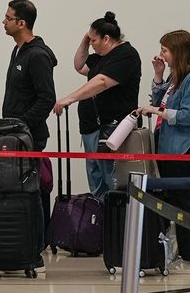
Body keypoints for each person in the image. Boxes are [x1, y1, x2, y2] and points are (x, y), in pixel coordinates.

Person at [138, 29, 190, 272]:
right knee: (172, 199)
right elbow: (161, 99)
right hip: (168, 146)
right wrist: (159, 76)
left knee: (184, 203)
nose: (161, 54)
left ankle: (187, 255)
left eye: (165, 50)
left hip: (184, 149)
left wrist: (157, 113)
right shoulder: (177, 76)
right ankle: (174, 250)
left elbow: (188, 116)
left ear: (178, 51)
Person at [54, 12, 142, 196]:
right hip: (91, 126)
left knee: (112, 180)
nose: (91, 44)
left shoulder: (126, 55)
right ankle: (99, 218)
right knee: (95, 179)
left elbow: (102, 82)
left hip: (112, 128)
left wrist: (70, 98)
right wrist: (85, 40)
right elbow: (79, 65)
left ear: (107, 39)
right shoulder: (101, 56)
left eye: (93, 40)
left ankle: (116, 222)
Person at [0, 0, 58, 224]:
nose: (3, 21)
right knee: (20, 188)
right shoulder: (18, 50)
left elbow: (46, 99)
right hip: (15, 134)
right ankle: (27, 234)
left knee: (33, 187)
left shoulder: (37, 56)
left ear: (22, 23)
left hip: (29, 135)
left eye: (8, 18)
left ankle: (38, 237)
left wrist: (21, 125)